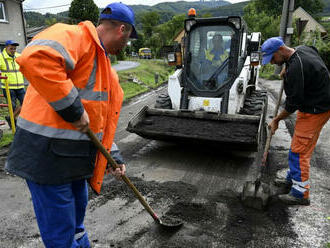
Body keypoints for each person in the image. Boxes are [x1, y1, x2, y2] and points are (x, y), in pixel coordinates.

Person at [5, 2, 137, 247]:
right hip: (46, 159)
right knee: (61, 235)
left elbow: (100, 121)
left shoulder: (107, 71)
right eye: (128, 38)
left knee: (76, 225)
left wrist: (114, 156)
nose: (126, 44)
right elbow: (35, 57)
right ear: (122, 29)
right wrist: (73, 109)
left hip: (75, 161)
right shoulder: (76, 37)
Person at [261, 37, 330, 206]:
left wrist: (276, 119)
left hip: (315, 109)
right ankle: (292, 180)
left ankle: (300, 193)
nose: (272, 63)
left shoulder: (296, 68)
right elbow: (310, 58)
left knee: (299, 151)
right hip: (319, 103)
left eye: (272, 58)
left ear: (280, 51)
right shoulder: (302, 49)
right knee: (299, 147)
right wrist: (286, 67)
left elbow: (293, 104)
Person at [0, 40, 26, 128]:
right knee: (13, 106)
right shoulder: (1, 57)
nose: (13, 50)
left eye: (14, 49)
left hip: (20, 86)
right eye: (11, 48)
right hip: (8, 87)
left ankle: (10, 118)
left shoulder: (19, 56)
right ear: (6, 48)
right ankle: (14, 124)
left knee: (26, 103)